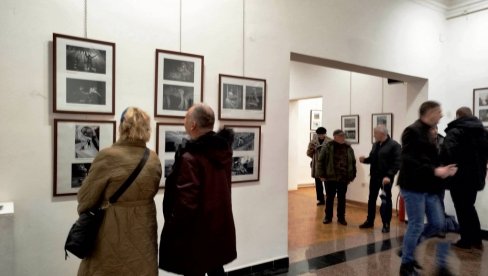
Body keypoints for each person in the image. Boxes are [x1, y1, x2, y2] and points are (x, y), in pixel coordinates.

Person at [76, 107, 162, 276]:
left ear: (122, 127)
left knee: (109, 268)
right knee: (140, 267)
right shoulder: (153, 158)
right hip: (144, 226)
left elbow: (85, 198)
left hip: (112, 227)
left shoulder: (108, 156)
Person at [159, 103, 237, 276]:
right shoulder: (222, 151)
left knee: (195, 270)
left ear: (193, 124)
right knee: (215, 267)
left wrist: (172, 228)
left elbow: (186, 204)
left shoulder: (191, 157)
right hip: (216, 226)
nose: (183, 120)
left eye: (186, 117)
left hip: (196, 232)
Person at [398, 101, 458, 276]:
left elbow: (431, 158)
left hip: (430, 187)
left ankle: (409, 247)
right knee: (416, 225)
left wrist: (445, 170)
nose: (441, 115)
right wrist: (434, 170)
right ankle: (406, 265)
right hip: (413, 186)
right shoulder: (412, 131)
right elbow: (409, 159)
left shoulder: (432, 132)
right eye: (438, 112)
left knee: (439, 224)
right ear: (429, 112)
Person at [440, 106, 488, 249]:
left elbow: (447, 152)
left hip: (459, 177)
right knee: (469, 207)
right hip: (476, 177)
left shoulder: (455, 131)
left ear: (458, 116)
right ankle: (476, 239)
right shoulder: (482, 132)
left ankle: (466, 240)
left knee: (462, 208)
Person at [358, 125, 401, 233]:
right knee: (371, 199)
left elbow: (397, 163)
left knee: (385, 201)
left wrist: (389, 175)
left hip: (386, 179)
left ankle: (386, 224)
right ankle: (369, 221)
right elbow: (373, 159)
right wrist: (365, 160)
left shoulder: (394, 145)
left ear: (381, 134)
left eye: (375, 133)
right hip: (374, 177)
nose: (373, 135)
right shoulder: (376, 144)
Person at [317, 129, 357, 226]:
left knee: (342, 198)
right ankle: (328, 217)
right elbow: (320, 161)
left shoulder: (348, 148)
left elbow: (353, 162)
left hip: (343, 178)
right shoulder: (327, 147)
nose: (343, 138)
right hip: (330, 178)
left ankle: (341, 218)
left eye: (343, 136)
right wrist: (321, 175)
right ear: (335, 137)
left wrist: (352, 176)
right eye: (340, 136)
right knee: (330, 198)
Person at [307, 127, 332, 205]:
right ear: (317, 134)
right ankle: (321, 200)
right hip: (317, 165)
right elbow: (308, 153)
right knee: (318, 184)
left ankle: (329, 199)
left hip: (326, 165)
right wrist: (313, 150)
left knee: (327, 184)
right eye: (319, 134)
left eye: (322, 134)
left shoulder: (330, 141)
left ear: (325, 133)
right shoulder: (313, 142)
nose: (321, 136)